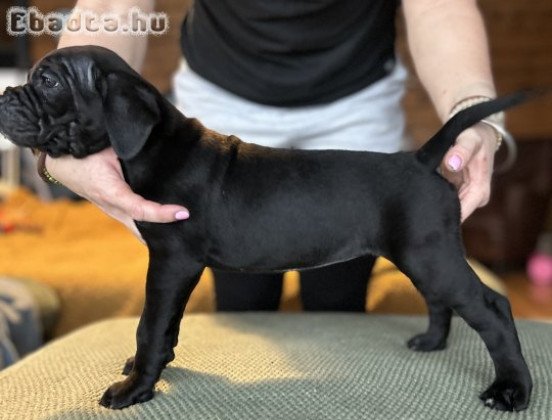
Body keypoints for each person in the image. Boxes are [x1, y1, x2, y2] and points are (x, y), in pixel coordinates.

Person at [47, 0, 503, 311]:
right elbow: (111, 5)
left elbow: (440, 7)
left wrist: (472, 107)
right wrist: (59, 128)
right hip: (222, 114)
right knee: (242, 298)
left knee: (338, 305)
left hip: (354, 108)